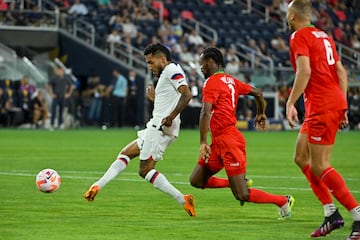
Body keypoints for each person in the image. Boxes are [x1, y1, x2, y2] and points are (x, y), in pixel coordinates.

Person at [84, 43, 196, 216]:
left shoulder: (172, 70)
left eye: (151, 62)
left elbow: (187, 94)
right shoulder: (168, 73)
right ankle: (97, 185)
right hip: (158, 125)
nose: (149, 67)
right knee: (125, 153)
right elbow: (169, 100)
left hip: (159, 127)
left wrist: (172, 116)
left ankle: (183, 199)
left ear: (162, 59)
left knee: (145, 170)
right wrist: (155, 99)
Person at [189, 47, 294, 219]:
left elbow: (205, 112)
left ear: (210, 62)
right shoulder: (231, 81)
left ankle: (283, 200)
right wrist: (261, 113)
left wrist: (202, 142)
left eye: (202, 64)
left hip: (230, 141)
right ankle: (234, 183)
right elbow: (258, 93)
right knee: (197, 180)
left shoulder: (211, 82)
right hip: (219, 141)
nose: (201, 68)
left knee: (242, 195)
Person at [285, 1, 360, 239]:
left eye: (288, 14)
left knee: (320, 165)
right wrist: (343, 105)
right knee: (300, 157)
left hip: (321, 104)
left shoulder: (299, 35)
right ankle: (331, 213)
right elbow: (341, 71)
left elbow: (304, 71)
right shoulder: (324, 36)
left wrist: (290, 102)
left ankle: (357, 215)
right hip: (330, 101)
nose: (287, 17)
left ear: (293, 15)